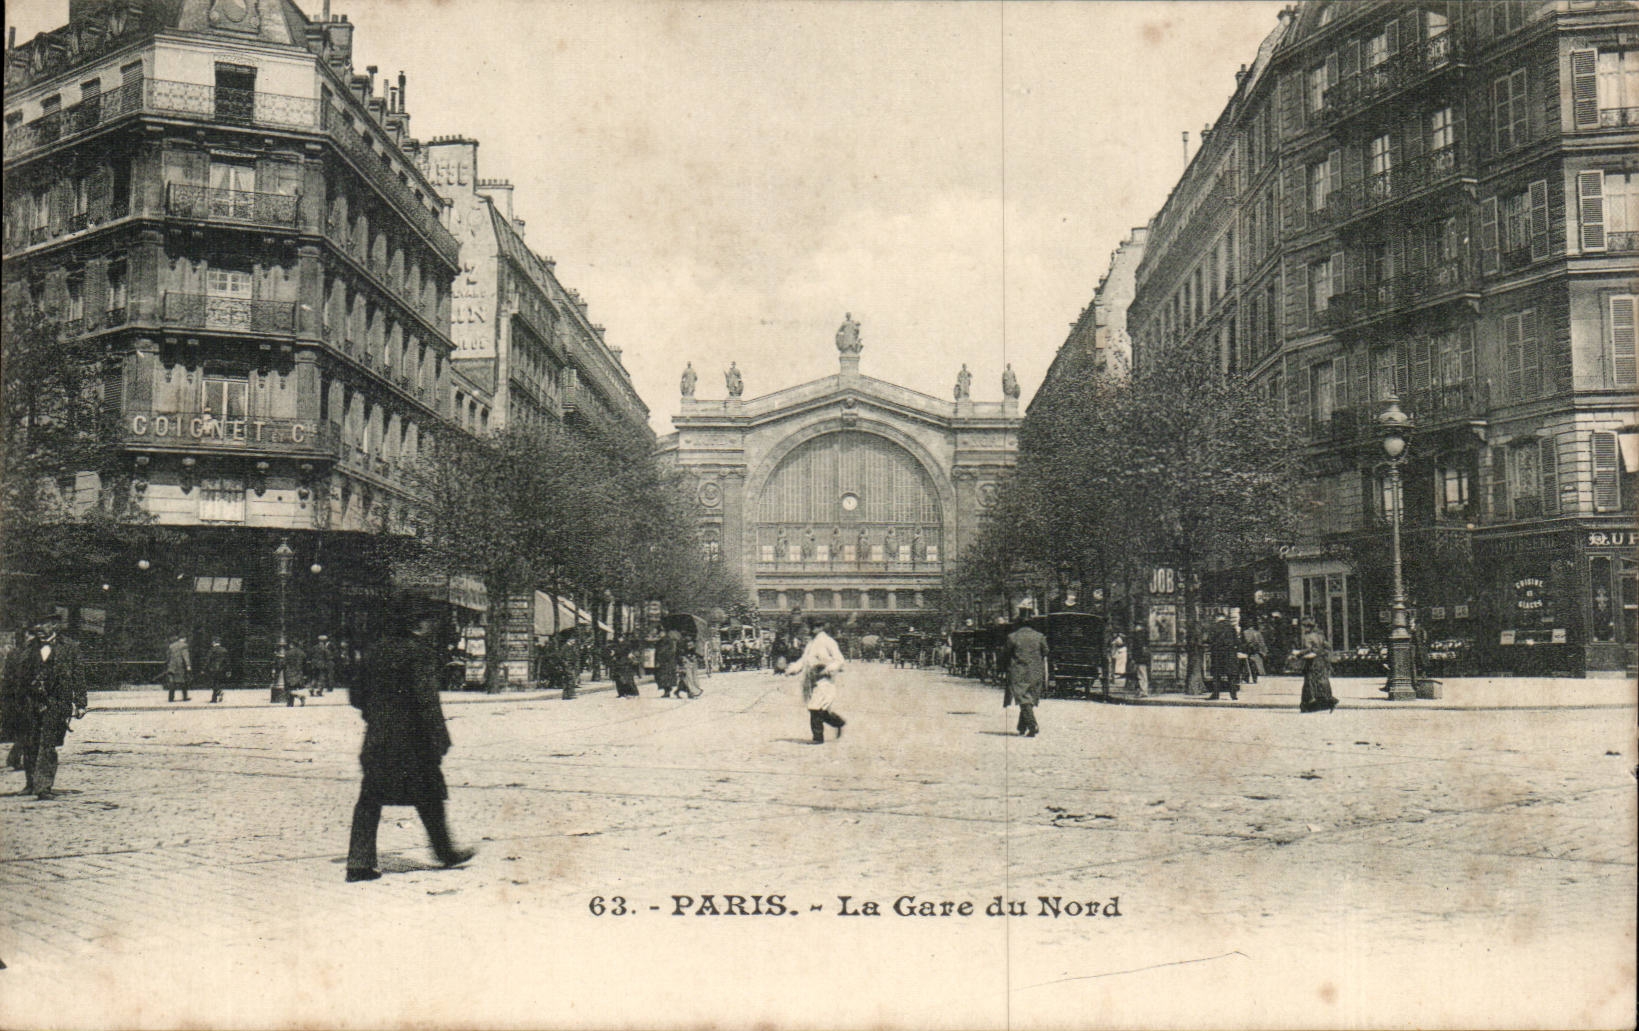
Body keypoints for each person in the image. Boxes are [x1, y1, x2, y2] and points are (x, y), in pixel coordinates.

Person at [345, 600, 475, 882]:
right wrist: (440, 736)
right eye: (428, 620)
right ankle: (445, 851)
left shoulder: (374, 651)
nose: (432, 626)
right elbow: (426, 699)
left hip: (379, 738)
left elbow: (355, 695)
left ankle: (358, 862)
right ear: (417, 624)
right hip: (415, 740)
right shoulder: (419, 653)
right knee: (429, 794)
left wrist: (376, 714)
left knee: (370, 799)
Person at [2, 612, 89, 800]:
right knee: (30, 744)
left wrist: (81, 703)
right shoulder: (28, 648)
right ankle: (31, 783)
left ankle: (44, 786)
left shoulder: (71, 648)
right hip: (30, 703)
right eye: (37, 624)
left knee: (47, 745)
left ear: (55, 625)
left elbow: (78, 676)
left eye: (43, 624)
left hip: (57, 702)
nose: (39, 628)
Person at [785, 618, 846, 743]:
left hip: (824, 679)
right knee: (818, 709)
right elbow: (804, 660)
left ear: (818, 628)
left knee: (815, 707)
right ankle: (838, 722)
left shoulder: (828, 642)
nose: (808, 630)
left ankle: (818, 738)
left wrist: (828, 669)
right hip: (811, 680)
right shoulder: (811, 644)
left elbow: (839, 660)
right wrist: (792, 669)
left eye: (810, 627)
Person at [1000, 611, 1048, 736]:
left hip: (1019, 671)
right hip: (1036, 671)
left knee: (1023, 698)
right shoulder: (1040, 636)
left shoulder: (1012, 637)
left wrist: (1003, 668)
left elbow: (1005, 654)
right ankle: (1022, 726)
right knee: (1029, 697)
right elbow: (1046, 651)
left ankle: (1032, 725)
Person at [1296, 617, 1338, 713]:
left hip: (1311, 662)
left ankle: (1308, 706)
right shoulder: (1320, 636)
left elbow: (1308, 649)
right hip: (1321, 662)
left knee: (1309, 683)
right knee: (1321, 682)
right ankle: (1329, 701)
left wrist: (1298, 654)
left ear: (1307, 627)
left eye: (1304, 626)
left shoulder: (1307, 637)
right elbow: (1328, 647)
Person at [1206, 613, 1241, 701]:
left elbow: (1209, 639)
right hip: (1230, 654)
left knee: (1217, 675)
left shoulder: (1214, 627)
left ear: (1217, 618)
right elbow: (1237, 641)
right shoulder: (1231, 628)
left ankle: (1216, 694)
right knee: (1231, 675)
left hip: (1218, 653)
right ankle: (1233, 695)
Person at [165, 632, 192, 703]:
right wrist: (188, 665)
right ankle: (185, 697)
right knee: (183, 682)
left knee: (172, 683)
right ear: (184, 638)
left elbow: (168, 656)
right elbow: (185, 656)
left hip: (172, 666)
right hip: (180, 666)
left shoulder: (171, 645)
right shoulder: (184, 646)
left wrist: (168, 664)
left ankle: (171, 698)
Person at [202, 637, 231, 703]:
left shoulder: (212, 650)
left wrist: (203, 668)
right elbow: (227, 661)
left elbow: (207, 660)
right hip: (222, 669)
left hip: (213, 669)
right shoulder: (224, 650)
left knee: (213, 683)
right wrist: (228, 670)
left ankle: (216, 695)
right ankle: (216, 696)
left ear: (214, 642)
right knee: (217, 682)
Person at [1127, 623, 1150, 697]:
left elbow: (1138, 649)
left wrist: (1134, 658)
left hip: (1140, 659)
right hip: (1142, 659)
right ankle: (1143, 691)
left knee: (1141, 675)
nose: (1135, 627)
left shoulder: (1138, 636)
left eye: (1136, 626)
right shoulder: (1143, 635)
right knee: (1142, 675)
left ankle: (1143, 691)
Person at [654, 630, 680, 698]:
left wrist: (660, 659)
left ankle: (667, 691)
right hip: (666, 662)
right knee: (665, 678)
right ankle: (667, 691)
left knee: (665, 677)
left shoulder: (666, 641)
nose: (660, 634)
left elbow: (663, 651)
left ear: (664, 633)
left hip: (666, 662)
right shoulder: (664, 641)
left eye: (661, 633)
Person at [282, 639, 308, 706]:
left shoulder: (287, 653)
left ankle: (290, 702)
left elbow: (284, 663)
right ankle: (302, 698)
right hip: (299, 672)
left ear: (291, 645)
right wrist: (305, 674)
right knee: (299, 687)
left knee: (290, 687)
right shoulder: (302, 653)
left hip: (290, 672)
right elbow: (305, 664)